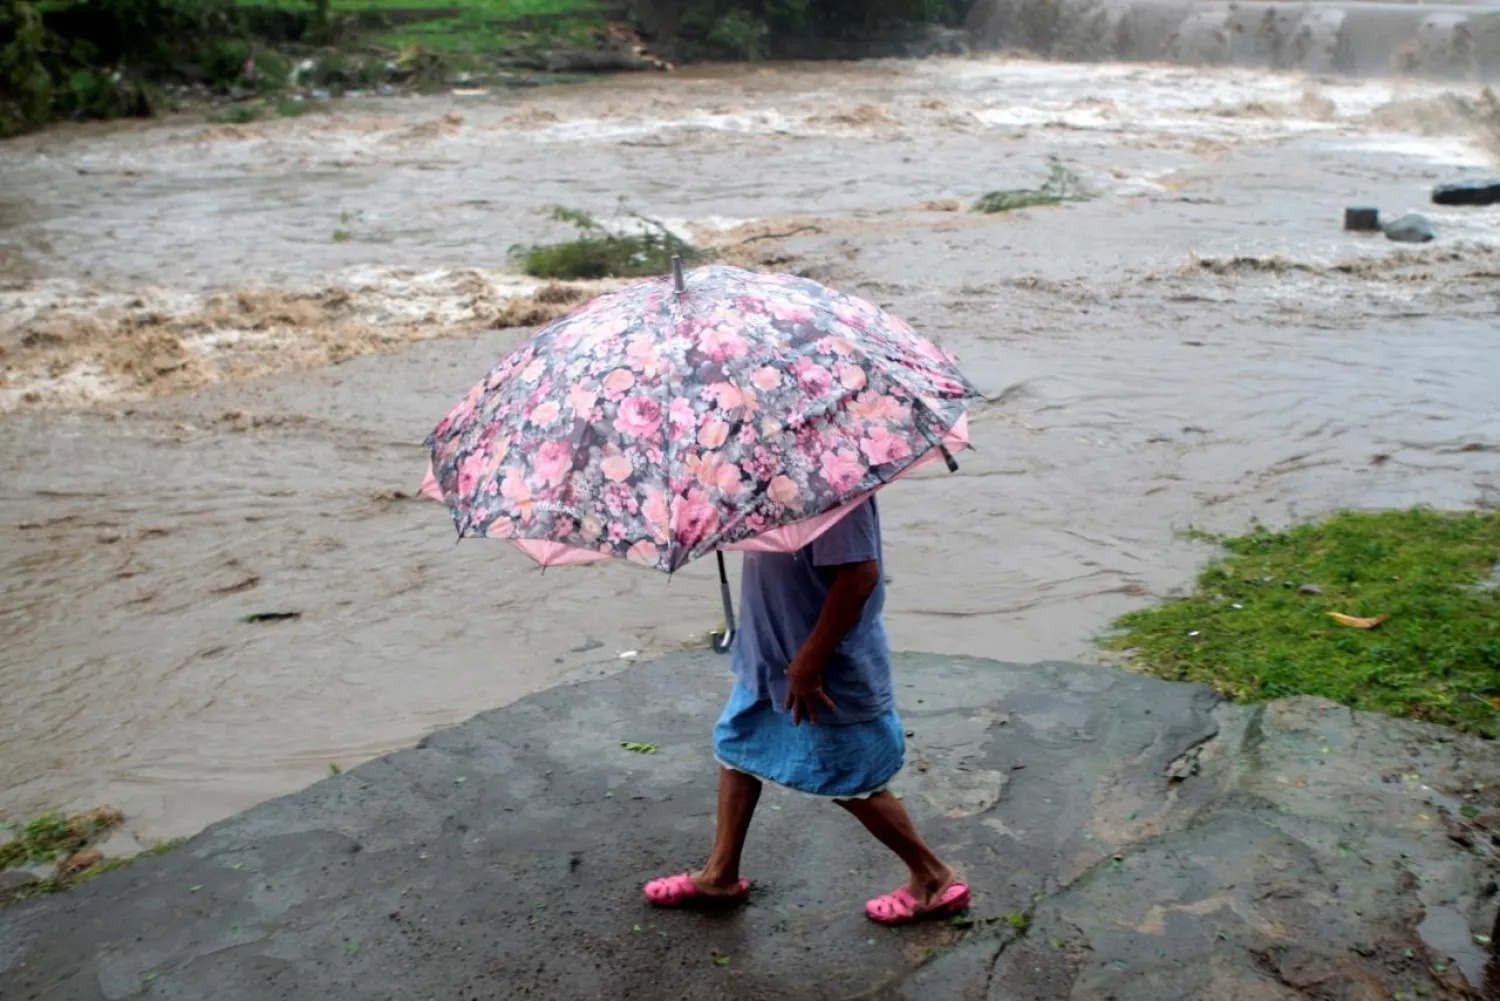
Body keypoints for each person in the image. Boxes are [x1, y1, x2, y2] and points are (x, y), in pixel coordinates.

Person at [643, 497, 970, 924]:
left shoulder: (834, 490)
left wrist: (810, 661)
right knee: (737, 749)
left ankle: (932, 877)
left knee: (851, 779)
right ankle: (719, 874)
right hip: (771, 652)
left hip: (819, 666)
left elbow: (859, 576)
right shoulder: (768, 481)